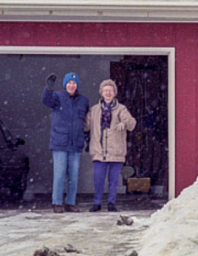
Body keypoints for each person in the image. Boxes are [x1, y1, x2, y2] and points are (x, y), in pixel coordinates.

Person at [84, 79, 137, 212]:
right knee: (98, 179)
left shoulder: (121, 109)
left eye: (110, 90)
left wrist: (124, 124)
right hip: (99, 151)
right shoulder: (94, 110)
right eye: (105, 90)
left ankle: (111, 203)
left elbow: (132, 123)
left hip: (116, 151)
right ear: (101, 92)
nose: (108, 93)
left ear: (114, 93)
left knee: (114, 181)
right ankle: (97, 203)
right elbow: (85, 126)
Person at [41, 71, 89, 213]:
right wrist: (49, 88)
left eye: (74, 83)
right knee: (60, 174)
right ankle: (57, 203)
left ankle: (70, 203)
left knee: (73, 176)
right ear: (65, 85)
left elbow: (85, 121)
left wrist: (87, 138)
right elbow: (46, 100)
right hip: (60, 143)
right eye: (69, 83)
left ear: (77, 85)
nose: (72, 85)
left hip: (76, 143)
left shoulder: (83, 101)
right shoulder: (57, 97)